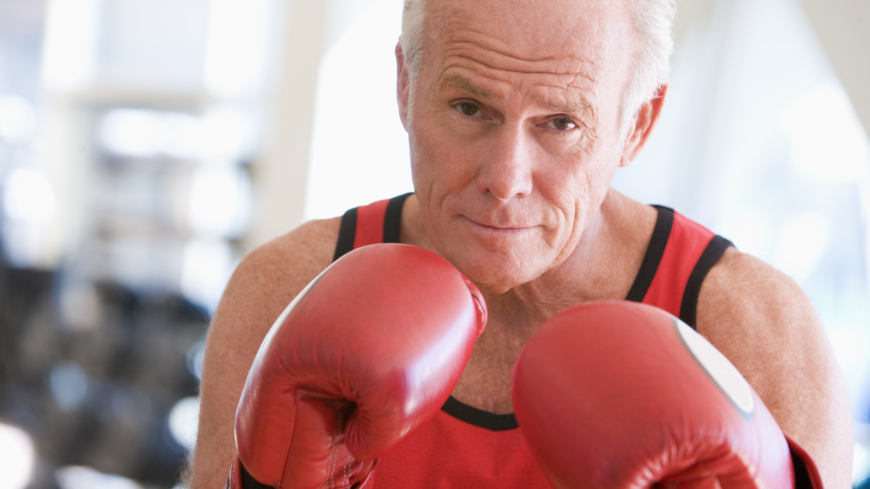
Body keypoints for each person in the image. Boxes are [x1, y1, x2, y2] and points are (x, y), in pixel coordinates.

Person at [189, 0, 854, 487]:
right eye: (470, 108)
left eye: (560, 123)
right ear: (405, 86)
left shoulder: (754, 330)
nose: (505, 180)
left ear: (637, 124)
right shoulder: (282, 291)